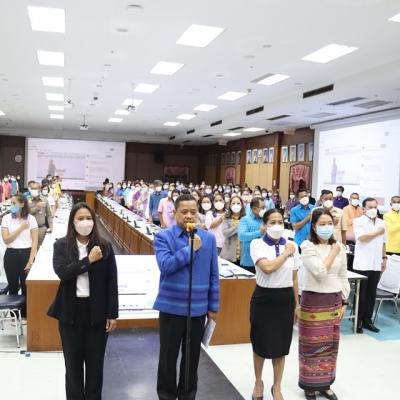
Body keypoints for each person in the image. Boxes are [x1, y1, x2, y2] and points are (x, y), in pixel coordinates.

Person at [48, 202, 118, 400]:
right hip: (70, 313)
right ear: (72, 222)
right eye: (80, 218)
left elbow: (111, 280)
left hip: (97, 313)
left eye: (88, 218)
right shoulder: (61, 245)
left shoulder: (104, 246)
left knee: (95, 368)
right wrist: (88, 260)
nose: (85, 222)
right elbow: (63, 273)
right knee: (73, 367)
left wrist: (112, 314)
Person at [153, 194, 219, 400]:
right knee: (168, 356)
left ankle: (188, 395)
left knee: (192, 358)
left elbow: (213, 274)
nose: (189, 216)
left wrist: (213, 306)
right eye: (184, 212)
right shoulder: (163, 236)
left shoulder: (208, 239)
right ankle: (166, 395)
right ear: (175, 213)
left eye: (193, 212)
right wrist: (190, 249)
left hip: (198, 309)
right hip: (171, 308)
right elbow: (166, 265)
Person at [299, 208, 350, 400]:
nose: (327, 227)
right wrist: (334, 251)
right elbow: (320, 273)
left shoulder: (339, 247)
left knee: (330, 345)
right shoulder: (307, 246)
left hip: (333, 302)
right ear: (314, 226)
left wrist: (344, 301)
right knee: (311, 346)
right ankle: (309, 385)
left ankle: (325, 384)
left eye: (329, 223)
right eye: (322, 224)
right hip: (313, 301)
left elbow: (343, 276)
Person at [249, 209, 300, 400]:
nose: (277, 226)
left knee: (281, 345)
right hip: (264, 298)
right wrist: (286, 253)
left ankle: (277, 386)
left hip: (285, 299)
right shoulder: (257, 244)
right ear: (264, 225)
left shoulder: (293, 245)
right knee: (259, 343)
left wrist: (297, 305)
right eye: (272, 222)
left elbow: (295, 278)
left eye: (280, 222)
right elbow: (268, 268)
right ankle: (258, 382)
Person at [1, 194, 38, 318]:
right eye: (11, 203)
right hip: (11, 255)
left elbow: (34, 241)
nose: (12, 206)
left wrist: (31, 261)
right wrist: (21, 228)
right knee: (13, 287)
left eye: (14, 203)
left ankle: (25, 315)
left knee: (26, 286)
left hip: (26, 254)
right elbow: (6, 239)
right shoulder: (6, 218)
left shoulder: (31, 219)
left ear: (22, 204)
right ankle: (14, 317)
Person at [353, 198, 387, 333]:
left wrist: (384, 258)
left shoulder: (382, 223)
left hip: (376, 263)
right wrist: (377, 232)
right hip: (362, 263)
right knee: (361, 295)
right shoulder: (358, 221)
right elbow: (362, 238)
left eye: (375, 207)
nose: (373, 209)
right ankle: (358, 321)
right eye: (370, 207)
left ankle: (368, 320)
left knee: (371, 294)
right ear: (364, 209)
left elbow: (384, 242)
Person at [238, 197, 266, 273]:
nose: (264, 210)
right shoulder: (245, 219)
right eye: (262, 208)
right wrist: (259, 232)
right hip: (249, 261)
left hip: (264, 260)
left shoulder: (265, 219)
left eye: (265, 207)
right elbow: (241, 236)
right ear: (254, 209)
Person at [220, 196, 246, 264]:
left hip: (243, 254)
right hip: (229, 254)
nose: (236, 205)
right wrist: (238, 226)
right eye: (233, 203)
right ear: (230, 206)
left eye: (238, 203)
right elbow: (225, 233)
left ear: (242, 205)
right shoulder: (226, 218)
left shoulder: (246, 218)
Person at [27, 181, 53, 246]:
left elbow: (49, 215)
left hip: (41, 228)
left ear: (39, 190)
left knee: (40, 248)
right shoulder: (27, 200)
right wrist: (37, 207)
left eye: (35, 189)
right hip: (29, 229)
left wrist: (51, 226)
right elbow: (25, 213)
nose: (33, 190)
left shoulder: (44, 200)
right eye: (32, 189)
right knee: (29, 247)